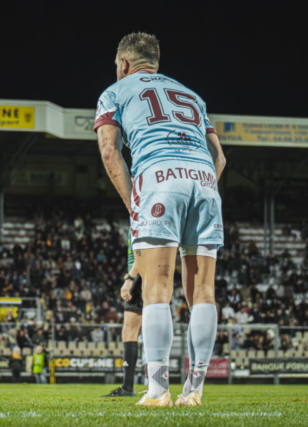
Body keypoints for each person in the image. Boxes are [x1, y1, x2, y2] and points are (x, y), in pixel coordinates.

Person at [95, 32, 225, 407]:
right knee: (203, 293)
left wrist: (133, 203)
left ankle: (157, 390)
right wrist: (199, 188)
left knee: (157, 289)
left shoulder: (115, 91)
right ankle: (194, 391)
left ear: (123, 64)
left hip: (158, 177)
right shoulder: (191, 95)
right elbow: (220, 158)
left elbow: (109, 150)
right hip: (203, 181)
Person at [104, 223, 143, 397]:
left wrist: (130, 278)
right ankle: (129, 386)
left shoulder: (142, 217)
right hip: (140, 277)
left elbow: (142, 255)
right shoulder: (137, 218)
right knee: (130, 331)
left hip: (140, 278)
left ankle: (129, 387)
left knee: (130, 331)